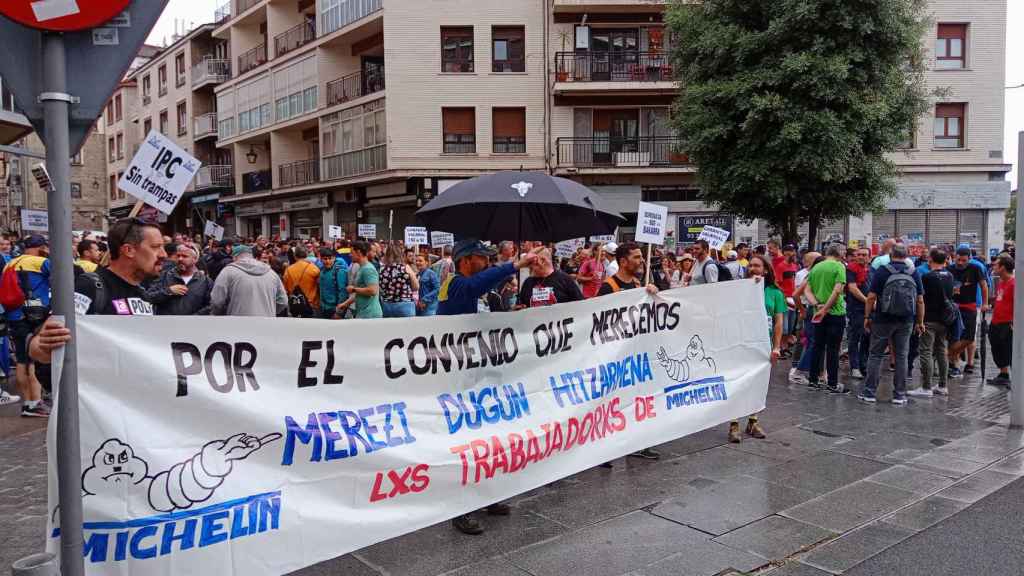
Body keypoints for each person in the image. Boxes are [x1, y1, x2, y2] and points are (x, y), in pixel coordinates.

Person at [437, 239, 537, 535]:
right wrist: (514, 265)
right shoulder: (456, 284)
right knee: (465, 444)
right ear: (467, 260)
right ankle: (461, 509)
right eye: (483, 259)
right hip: (457, 378)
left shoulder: (471, 287)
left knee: (484, 438)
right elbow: (475, 287)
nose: (487, 264)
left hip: (475, 373)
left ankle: (487, 496)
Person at [28, 219, 169, 376]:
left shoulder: (144, 295)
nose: (164, 254)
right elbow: (37, 347)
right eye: (156, 247)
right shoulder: (90, 286)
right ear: (128, 250)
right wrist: (45, 346)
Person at [595, 242, 661, 461]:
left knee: (637, 398)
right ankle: (605, 448)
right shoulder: (608, 287)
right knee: (612, 400)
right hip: (615, 355)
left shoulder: (636, 284)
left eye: (641, 256)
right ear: (623, 261)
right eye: (636, 257)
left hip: (635, 353)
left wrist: (651, 293)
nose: (641, 260)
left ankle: (637, 442)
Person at [859, 244, 925, 405]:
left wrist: (867, 316)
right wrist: (920, 321)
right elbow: (920, 300)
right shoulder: (913, 272)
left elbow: (871, 297)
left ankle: (869, 392)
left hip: (883, 318)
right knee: (902, 356)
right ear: (907, 255)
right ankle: (899, 395)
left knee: (875, 355)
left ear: (891, 255)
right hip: (906, 320)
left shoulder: (883, 271)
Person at [728, 254, 779, 443]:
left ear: (765, 270)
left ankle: (753, 421)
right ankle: (733, 424)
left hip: (763, 345)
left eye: (757, 266)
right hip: (741, 342)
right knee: (737, 382)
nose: (752, 269)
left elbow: (778, 322)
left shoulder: (774, 292)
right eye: (750, 266)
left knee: (758, 383)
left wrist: (777, 347)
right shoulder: (739, 290)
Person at [5, 235, 52, 417]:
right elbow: (63, 279)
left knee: (22, 359)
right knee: (35, 357)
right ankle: (36, 403)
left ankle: (27, 403)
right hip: (36, 314)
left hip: (15, 314)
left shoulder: (11, 263)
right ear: (40, 247)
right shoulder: (41, 262)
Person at [803, 244, 849, 393]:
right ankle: (832, 383)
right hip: (835, 312)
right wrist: (826, 309)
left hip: (818, 311)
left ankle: (813, 380)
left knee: (818, 346)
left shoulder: (816, 267)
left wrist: (817, 305)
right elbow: (837, 291)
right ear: (840, 253)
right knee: (833, 349)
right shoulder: (839, 267)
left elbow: (807, 290)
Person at [914, 249, 954, 397]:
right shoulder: (949, 276)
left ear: (930, 259)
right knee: (942, 350)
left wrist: (919, 320)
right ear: (945, 260)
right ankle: (943, 385)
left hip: (929, 319)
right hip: (944, 320)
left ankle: (926, 387)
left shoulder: (927, 277)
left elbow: (921, 299)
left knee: (926, 352)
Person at [210, 245, 288, 317]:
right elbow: (283, 301)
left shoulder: (228, 271)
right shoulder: (271, 273)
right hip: (266, 324)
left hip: (238, 325)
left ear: (234, 257)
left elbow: (217, 301)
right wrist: (270, 310)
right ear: (251, 256)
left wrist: (223, 314)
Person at [947, 246, 989, 378]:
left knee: (969, 337)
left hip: (970, 306)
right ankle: (953, 364)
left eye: (963, 260)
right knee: (954, 336)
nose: (960, 263)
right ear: (955, 257)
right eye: (958, 259)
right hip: (954, 306)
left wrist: (985, 303)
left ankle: (947, 354)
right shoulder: (950, 269)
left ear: (969, 259)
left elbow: (984, 286)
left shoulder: (975, 268)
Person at [148, 244, 212, 316]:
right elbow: (149, 298)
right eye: (178, 256)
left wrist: (193, 318)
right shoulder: (165, 276)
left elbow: (210, 306)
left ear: (195, 259)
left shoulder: (205, 281)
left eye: (185, 256)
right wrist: (168, 291)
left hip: (192, 325)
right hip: (166, 324)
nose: (180, 259)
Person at [518, 247, 584, 308]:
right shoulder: (528, 282)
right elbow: (522, 304)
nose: (529, 266)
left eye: (531, 262)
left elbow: (580, 305)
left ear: (543, 261)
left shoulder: (565, 279)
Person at [987, 254, 1014, 387]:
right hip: (996, 322)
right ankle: (1004, 375)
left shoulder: (1014, 284)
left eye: (996, 264)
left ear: (1003, 267)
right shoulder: (1002, 282)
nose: (993, 266)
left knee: (1010, 351)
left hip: (1008, 323)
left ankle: (1017, 379)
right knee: (997, 349)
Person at [339, 241, 383, 319]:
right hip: (363, 313)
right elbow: (360, 292)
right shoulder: (361, 268)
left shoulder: (368, 269)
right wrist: (346, 303)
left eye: (352, 252)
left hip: (370, 315)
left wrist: (353, 289)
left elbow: (373, 291)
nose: (350, 255)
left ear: (358, 252)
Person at [845, 247, 871, 379]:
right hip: (856, 309)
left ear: (869, 257)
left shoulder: (871, 270)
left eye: (864, 255)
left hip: (870, 309)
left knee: (867, 338)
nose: (861, 257)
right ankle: (855, 367)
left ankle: (863, 365)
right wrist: (868, 301)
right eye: (859, 254)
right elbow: (853, 289)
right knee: (855, 338)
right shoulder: (851, 269)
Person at [378, 244, 419, 318]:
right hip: (404, 304)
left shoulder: (382, 269)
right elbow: (416, 287)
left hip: (387, 305)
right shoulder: (405, 267)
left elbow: (380, 288)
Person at [283, 246, 321, 318]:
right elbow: (319, 286)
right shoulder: (314, 268)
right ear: (306, 255)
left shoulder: (288, 270)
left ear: (295, 256)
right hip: (311, 305)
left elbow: (285, 289)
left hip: (294, 304)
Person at [317, 247, 349, 319]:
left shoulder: (339, 270)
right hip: (324, 308)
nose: (328, 261)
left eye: (330, 258)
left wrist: (339, 312)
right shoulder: (322, 270)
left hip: (334, 309)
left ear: (334, 258)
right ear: (321, 259)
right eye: (325, 259)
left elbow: (343, 292)